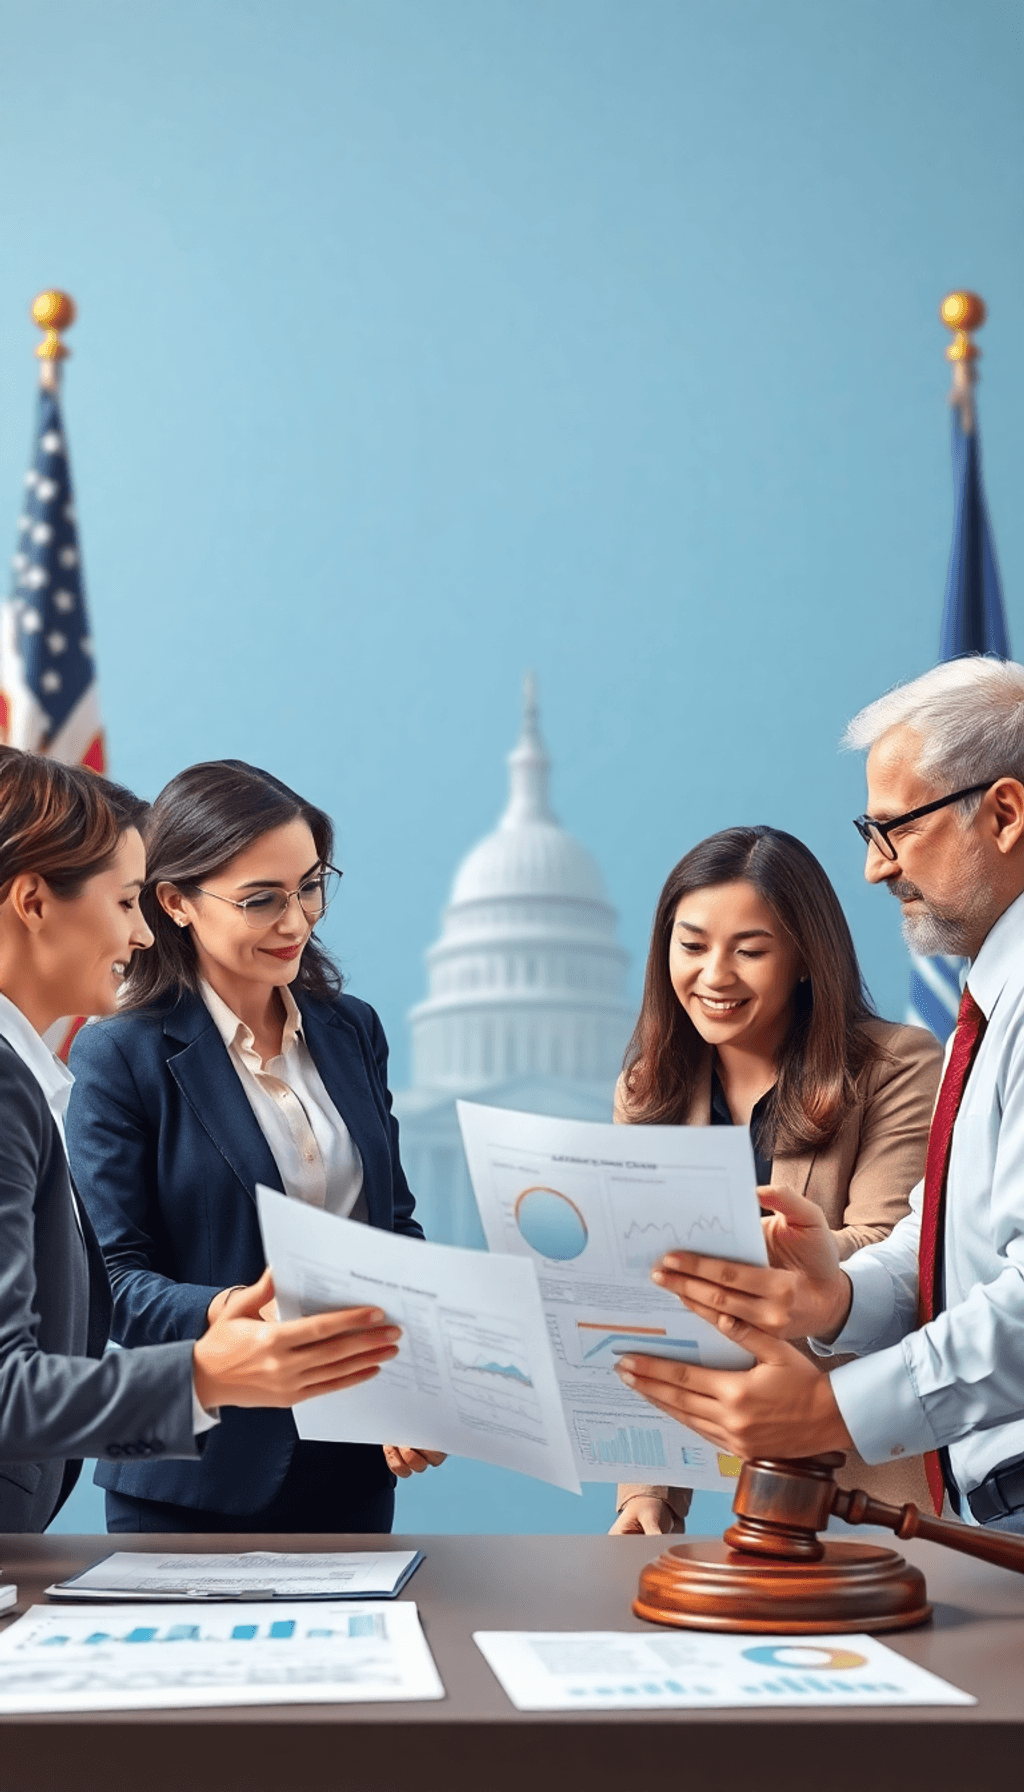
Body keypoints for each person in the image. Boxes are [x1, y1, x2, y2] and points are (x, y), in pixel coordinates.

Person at [613, 657, 1024, 1532]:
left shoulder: (935, 1043)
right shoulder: (988, 1005)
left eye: (896, 830)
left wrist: (836, 1407)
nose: (877, 870)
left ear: (1005, 814)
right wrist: (829, 1295)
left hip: (900, 1494)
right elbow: (944, 1245)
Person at [0, 747, 402, 1534]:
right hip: (195, 1480)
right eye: (125, 903)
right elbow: (92, 1299)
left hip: (347, 1454)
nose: (138, 934)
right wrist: (211, 1360)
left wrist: (410, 1382)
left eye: (311, 886)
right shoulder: (109, 1054)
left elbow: (391, 1231)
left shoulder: (350, 1032)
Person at [609, 825, 942, 1536]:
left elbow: (894, 1252)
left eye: (750, 950)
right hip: (734, 1487)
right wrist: (647, 1494)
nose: (715, 976)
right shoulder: (647, 1092)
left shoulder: (897, 1066)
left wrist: (723, 1252)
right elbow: (643, 1304)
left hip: (864, 1485)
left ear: (802, 959)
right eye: (692, 945)